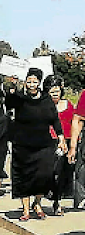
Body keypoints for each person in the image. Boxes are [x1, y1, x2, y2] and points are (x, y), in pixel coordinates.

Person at [5, 68, 66, 220]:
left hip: (43, 144)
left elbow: (55, 119)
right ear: (25, 82)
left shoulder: (46, 100)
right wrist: (12, 88)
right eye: (29, 81)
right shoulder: (19, 98)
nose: (31, 84)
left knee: (43, 175)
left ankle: (37, 204)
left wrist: (61, 137)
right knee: (23, 176)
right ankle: (25, 210)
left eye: (35, 81)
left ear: (39, 83)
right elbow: (8, 104)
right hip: (22, 144)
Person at [44, 75, 74, 216]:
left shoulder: (68, 104)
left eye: (57, 91)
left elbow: (75, 122)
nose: (55, 94)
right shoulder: (43, 105)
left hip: (66, 142)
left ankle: (57, 201)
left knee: (63, 174)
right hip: (49, 142)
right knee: (51, 173)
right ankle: (46, 196)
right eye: (52, 91)